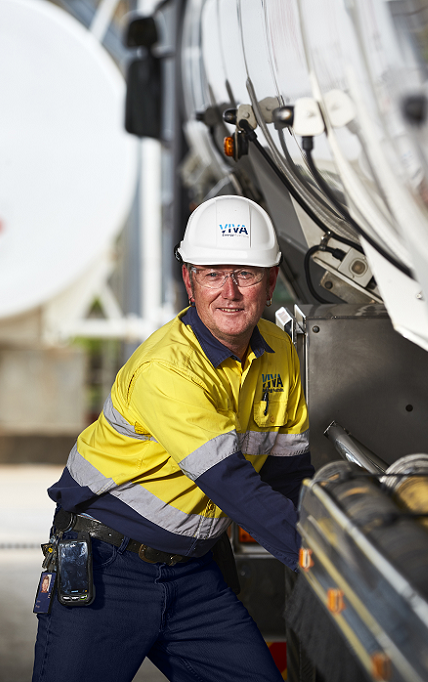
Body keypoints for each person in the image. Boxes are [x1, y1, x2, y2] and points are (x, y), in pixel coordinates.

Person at [32, 195, 314, 681]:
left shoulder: (280, 354)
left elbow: (290, 478)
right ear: (189, 281)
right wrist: (317, 558)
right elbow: (231, 483)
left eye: (245, 274)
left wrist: (331, 536)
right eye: (212, 274)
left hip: (193, 573)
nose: (229, 292)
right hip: (108, 568)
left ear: (270, 282)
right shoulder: (168, 367)